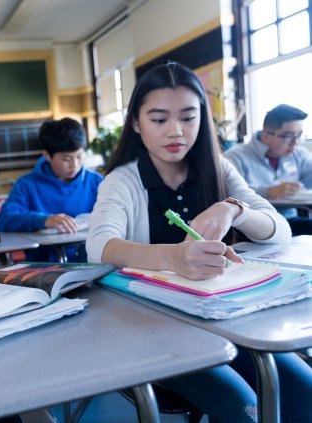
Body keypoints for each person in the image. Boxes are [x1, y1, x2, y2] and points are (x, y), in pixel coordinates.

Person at [86, 62, 312, 422]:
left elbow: (279, 230)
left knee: (306, 393)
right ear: (135, 123)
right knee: (246, 410)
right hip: (158, 329)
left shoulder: (218, 168)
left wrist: (233, 208)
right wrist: (174, 258)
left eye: (188, 117)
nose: (176, 131)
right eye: (159, 119)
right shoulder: (122, 181)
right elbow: (100, 246)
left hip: (230, 316)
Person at [0, 118, 103, 262]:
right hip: (43, 267)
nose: (74, 165)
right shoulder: (27, 184)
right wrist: (44, 220)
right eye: (66, 159)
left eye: (79, 156)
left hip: (92, 262)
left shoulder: (97, 182)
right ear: (46, 155)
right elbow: (3, 220)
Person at [225, 104, 312, 235]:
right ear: (266, 136)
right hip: (252, 228)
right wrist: (268, 191)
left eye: (298, 135)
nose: (295, 143)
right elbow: (228, 195)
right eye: (288, 136)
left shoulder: (298, 154)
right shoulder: (235, 158)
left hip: (289, 221)